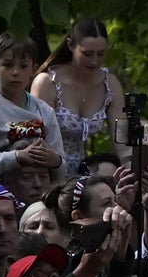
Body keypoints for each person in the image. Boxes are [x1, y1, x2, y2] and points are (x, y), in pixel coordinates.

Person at [28, 19, 124, 181]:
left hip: (82, 170)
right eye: (87, 54)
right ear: (70, 45)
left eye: (100, 54)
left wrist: (133, 169)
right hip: (45, 170)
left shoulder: (110, 83)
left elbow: (123, 139)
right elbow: (36, 140)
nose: (94, 61)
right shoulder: (46, 82)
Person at [0, 32, 64, 187]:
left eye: (23, 66)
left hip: (38, 190)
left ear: (33, 69)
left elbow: (63, 168)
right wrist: (17, 157)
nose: (15, 72)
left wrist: (55, 161)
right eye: (8, 65)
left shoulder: (44, 111)